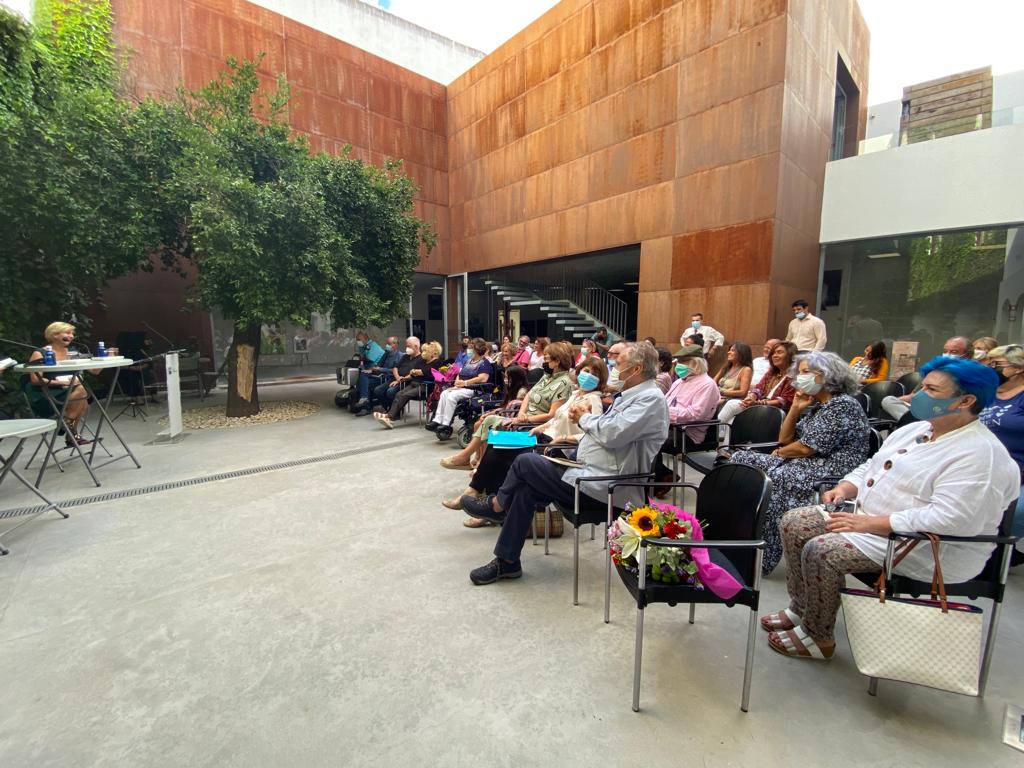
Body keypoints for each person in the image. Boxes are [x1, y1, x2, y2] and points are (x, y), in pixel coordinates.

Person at [762, 357, 1018, 660]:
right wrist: (846, 487)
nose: (919, 395)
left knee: (822, 550)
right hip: (875, 524)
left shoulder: (980, 455)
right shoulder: (917, 429)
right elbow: (871, 465)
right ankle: (802, 608)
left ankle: (819, 637)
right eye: (922, 386)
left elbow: (953, 519)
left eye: (932, 390)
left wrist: (874, 524)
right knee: (794, 522)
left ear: (965, 400)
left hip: (925, 546)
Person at [460, 343, 669, 585]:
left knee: (525, 462)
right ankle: (507, 562)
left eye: (619, 363)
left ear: (637, 369)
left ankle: (496, 506)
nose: (615, 368)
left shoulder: (650, 400)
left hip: (606, 486)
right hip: (586, 471)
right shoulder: (632, 396)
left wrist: (585, 418)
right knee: (525, 489)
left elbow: (613, 434)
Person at [728, 351, 870, 574]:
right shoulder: (817, 405)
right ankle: (736, 535)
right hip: (806, 462)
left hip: (830, 469)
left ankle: (763, 559)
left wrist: (780, 453)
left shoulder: (843, 405)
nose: (799, 378)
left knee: (778, 478)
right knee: (740, 460)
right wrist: (795, 407)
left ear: (826, 375)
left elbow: (806, 447)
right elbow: (785, 439)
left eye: (806, 373)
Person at [449, 356, 608, 526]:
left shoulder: (593, 400)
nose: (588, 375)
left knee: (503, 455)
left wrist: (565, 438)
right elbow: (556, 418)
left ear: (600, 379)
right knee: (497, 444)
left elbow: (594, 434)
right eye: (585, 371)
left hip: (558, 447)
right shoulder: (576, 394)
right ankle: (480, 497)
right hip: (544, 436)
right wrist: (542, 426)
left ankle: (485, 503)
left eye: (594, 373)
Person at [442, 342, 573, 471]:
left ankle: (470, 460)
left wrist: (525, 419)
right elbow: (529, 395)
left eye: (547, 359)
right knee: (486, 420)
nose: (544, 362)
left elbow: (552, 415)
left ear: (557, 361)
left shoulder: (564, 383)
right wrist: (522, 412)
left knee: (489, 421)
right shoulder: (546, 377)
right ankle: (474, 461)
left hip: (535, 424)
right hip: (523, 417)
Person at [979, 345, 1024, 564]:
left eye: (997, 365)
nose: (991, 369)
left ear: (1017, 369)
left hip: (1018, 469)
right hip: (978, 463)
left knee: (1016, 511)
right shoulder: (986, 393)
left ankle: (997, 552)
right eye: (989, 364)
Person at [651, 345, 719, 483]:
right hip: (669, 427)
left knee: (650, 439)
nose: (678, 365)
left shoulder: (707, 384)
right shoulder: (679, 382)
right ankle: (662, 475)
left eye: (683, 362)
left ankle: (659, 480)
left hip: (687, 433)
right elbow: (664, 403)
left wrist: (664, 412)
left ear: (695, 363)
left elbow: (695, 414)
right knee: (639, 434)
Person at [25, 322, 95, 445]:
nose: (71, 336)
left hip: (71, 391)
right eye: (67, 333)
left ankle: (67, 427)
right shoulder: (40, 353)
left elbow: (95, 371)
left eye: (72, 333)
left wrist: (103, 360)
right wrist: (62, 382)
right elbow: (35, 380)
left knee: (83, 399)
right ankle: (69, 429)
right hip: (48, 394)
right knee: (82, 393)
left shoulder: (72, 352)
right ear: (55, 335)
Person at [880, 336, 972, 421]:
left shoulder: (972, 376)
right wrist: (897, 401)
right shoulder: (934, 370)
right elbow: (914, 396)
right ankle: (915, 421)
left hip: (943, 410)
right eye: (945, 351)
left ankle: (915, 422)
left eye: (954, 352)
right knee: (888, 400)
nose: (947, 355)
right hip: (921, 409)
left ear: (967, 355)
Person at [717, 341, 798, 428]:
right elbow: (758, 389)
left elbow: (784, 401)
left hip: (776, 412)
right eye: (773, 353)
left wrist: (757, 403)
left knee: (732, 404)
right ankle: (718, 438)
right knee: (731, 422)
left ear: (790, 355)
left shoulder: (795, 376)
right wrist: (750, 397)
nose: (774, 355)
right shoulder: (771, 373)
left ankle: (711, 431)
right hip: (759, 406)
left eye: (779, 352)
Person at [426, 338, 494, 432]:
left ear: (477, 350)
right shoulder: (468, 361)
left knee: (452, 396)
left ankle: (446, 423)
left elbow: (483, 378)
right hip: (462, 387)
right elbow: (460, 373)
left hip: (475, 389)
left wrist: (465, 383)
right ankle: (437, 420)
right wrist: (457, 384)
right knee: (445, 393)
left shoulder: (484, 363)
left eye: (471, 348)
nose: (468, 350)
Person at [374, 341, 444, 428]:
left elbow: (426, 372)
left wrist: (418, 372)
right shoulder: (423, 361)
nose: (423, 353)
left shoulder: (437, 362)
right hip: (414, 383)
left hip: (424, 387)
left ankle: (389, 417)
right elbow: (414, 371)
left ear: (434, 352)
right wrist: (413, 374)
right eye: (423, 350)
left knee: (405, 395)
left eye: (426, 351)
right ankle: (390, 416)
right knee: (399, 394)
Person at [358, 336, 422, 416]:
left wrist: (399, 379)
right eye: (406, 346)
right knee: (376, 389)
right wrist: (397, 377)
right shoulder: (405, 356)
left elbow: (414, 373)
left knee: (390, 391)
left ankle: (394, 412)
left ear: (416, 346)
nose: (406, 348)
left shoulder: (418, 358)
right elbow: (395, 368)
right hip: (395, 378)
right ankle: (389, 409)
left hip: (404, 381)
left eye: (408, 346)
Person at [353, 335, 402, 412]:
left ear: (395, 345)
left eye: (389, 344)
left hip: (388, 378)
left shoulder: (399, 356)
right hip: (380, 376)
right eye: (387, 343)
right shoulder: (386, 354)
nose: (387, 346)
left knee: (366, 384)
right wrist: (372, 370)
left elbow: (396, 370)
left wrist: (381, 369)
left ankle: (366, 406)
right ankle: (364, 401)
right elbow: (378, 364)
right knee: (363, 374)